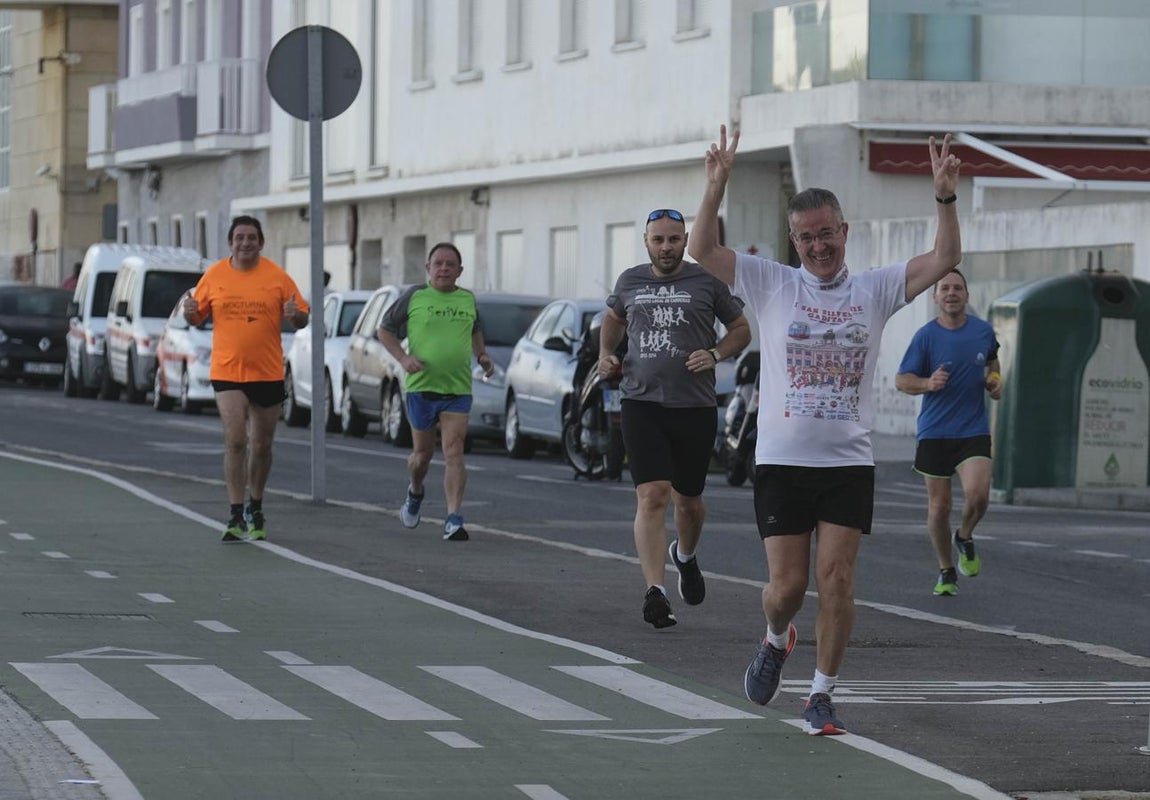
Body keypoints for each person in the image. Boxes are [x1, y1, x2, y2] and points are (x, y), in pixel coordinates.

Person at [688, 125, 962, 736]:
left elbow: (944, 259)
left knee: (836, 579)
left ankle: (822, 693)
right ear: (794, 240)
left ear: (845, 232)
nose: (818, 246)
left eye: (827, 234)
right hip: (783, 462)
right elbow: (703, 252)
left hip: (846, 462)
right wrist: (715, 188)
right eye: (807, 237)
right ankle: (776, 637)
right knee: (784, 588)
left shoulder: (875, 288)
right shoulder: (771, 282)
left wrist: (944, 197)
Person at [598, 208, 750, 629]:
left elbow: (740, 329)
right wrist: (606, 356)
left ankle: (684, 555)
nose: (667, 247)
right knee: (652, 495)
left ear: (685, 241)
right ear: (646, 242)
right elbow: (613, 319)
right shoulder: (630, 281)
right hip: (641, 403)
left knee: (690, 503)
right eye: (658, 240)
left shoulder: (707, 282)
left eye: (674, 239)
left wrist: (717, 353)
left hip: (695, 407)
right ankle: (655, 592)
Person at [183, 216, 309, 542]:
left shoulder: (277, 277)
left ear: (261, 242)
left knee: (262, 446)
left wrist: (297, 316)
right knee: (236, 439)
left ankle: (256, 505)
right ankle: (235, 513)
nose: (245, 243)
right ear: (230, 243)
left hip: (267, 371)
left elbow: (301, 317)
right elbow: (197, 316)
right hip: (227, 371)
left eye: (251, 237)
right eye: (239, 238)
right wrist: (189, 311)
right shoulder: (215, 276)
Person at [895, 269, 1002, 596]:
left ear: (967, 295)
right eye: (945, 288)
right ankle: (946, 570)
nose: (952, 293)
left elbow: (993, 364)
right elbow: (902, 380)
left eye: (958, 288)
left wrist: (994, 381)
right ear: (936, 297)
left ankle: (965, 535)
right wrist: (928, 383)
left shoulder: (983, 331)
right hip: (935, 431)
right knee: (939, 507)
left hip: (972, 428)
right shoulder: (926, 336)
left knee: (979, 495)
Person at [378, 243, 494, 542]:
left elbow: (476, 330)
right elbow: (385, 329)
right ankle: (415, 491)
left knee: (454, 450)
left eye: (450, 264)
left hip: (457, 388)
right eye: (438, 263)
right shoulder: (415, 296)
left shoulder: (467, 299)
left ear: (460, 270)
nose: (444, 268)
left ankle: (454, 518)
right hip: (421, 387)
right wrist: (403, 359)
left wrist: (482, 355)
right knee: (422, 456)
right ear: (428, 268)